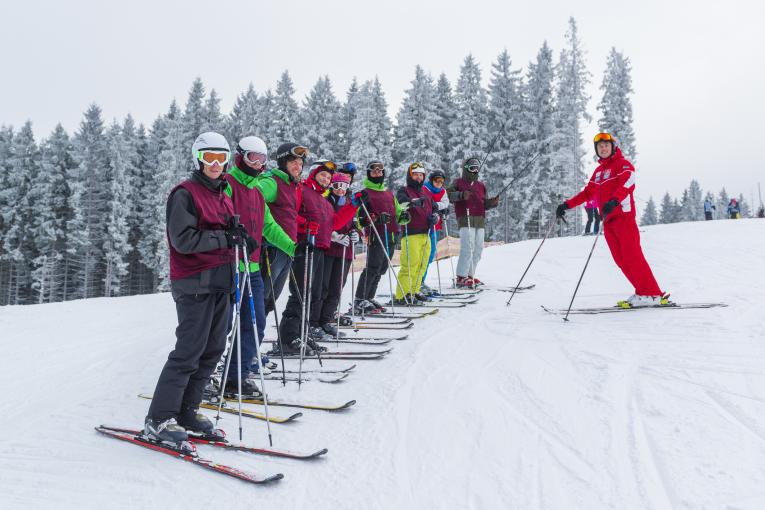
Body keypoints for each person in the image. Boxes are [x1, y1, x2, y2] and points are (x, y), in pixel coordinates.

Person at [145, 131, 244, 443]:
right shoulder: (184, 193)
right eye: (209, 158)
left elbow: (224, 234)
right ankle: (159, 418)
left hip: (222, 281)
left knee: (212, 350)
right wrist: (224, 237)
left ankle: (187, 411)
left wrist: (238, 236)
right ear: (198, 159)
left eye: (221, 158)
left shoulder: (223, 194)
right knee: (189, 351)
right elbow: (183, 240)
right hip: (194, 282)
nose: (215, 164)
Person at [556, 132, 667, 308]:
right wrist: (566, 205)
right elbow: (587, 193)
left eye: (606, 145)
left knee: (632, 256)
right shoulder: (599, 172)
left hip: (623, 216)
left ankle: (652, 293)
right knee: (621, 260)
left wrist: (615, 200)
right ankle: (642, 291)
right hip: (608, 221)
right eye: (600, 147)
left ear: (613, 147)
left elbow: (629, 182)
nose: (603, 148)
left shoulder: (622, 164)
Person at [222, 136, 296, 396]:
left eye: (262, 159)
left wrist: (292, 248)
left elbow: (269, 226)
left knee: (254, 323)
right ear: (240, 157)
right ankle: (207, 374)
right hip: (228, 266)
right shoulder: (228, 184)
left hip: (251, 268)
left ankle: (236, 377)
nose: (258, 164)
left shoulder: (255, 192)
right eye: (253, 157)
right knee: (221, 325)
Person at [275, 162, 359, 354]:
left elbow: (334, 223)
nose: (326, 180)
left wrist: (352, 207)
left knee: (313, 294)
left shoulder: (323, 199)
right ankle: (288, 338)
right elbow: (290, 214)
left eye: (329, 178)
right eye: (322, 175)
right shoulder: (302, 190)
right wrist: (305, 224)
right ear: (313, 174)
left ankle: (302, 333)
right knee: (300, 293)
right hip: (305, 247)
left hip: (321, 248)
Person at [254, 143, 306, 316]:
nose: (298, 167)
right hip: (271, 249)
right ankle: (245, 338)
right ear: (283, 162)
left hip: (286, 250)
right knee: (261, 298)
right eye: (293, 162)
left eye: (300, 163)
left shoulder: (290, 185)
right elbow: (253, 196)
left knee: (270, 300)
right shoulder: (272, 182)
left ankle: (255, 339)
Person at [353, 161, 411, 314]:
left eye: (380, 171)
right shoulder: (365, 193)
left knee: (382, 268)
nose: (377, 174)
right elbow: (360, 218)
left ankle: (369, 297)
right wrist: (376, 219)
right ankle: (360, 299)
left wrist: (404, 216)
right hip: (376, 235)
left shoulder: (388, 194)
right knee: (372, 267)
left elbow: (398, 214)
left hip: (391, 235)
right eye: (374, 171)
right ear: (369, 174)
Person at [447, 157, 500, 288]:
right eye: (472, 168)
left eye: (476, 168)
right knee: (468, 247)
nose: (475, 171)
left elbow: (483, 203)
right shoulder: (458, 182)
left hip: (479, 220)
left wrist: (491, 203)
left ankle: (470, 275)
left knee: (478, 249)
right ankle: (461, 276)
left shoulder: (481, 185)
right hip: (466, 218)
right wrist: (461, 195)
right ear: (466, 169)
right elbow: (448, 195)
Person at [319, 172, 361, 336]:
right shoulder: (326, 202)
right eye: (337, 186)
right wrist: (334, 236)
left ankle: (327, 319)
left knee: (336, 288)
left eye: (344, 186)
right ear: (332, 186)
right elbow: (324, 223)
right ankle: (316, 320)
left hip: (346, 251)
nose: (341, 190)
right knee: (324, 286)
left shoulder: (350, 203)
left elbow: (353, 223)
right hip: (329, 249)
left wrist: (355, 234)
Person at [393, 162, 438, 305]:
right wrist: (413, 203)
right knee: (410, 265)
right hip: (411, 233)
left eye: (421, 175)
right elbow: (400, 204)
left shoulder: (426, 192)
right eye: (415, 175)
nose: (418, 178)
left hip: (426, 233)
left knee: (422, 265)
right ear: (410, 176)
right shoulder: (404, 190)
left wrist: (435, 217)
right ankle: (402, 295)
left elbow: (435, 208)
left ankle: (414, 291)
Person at [420, 169, 450, 295]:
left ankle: (421, 280)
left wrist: (439, 208)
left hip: (435, 226)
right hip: (423, 226)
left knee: (430, 254)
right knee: (423, 255)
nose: (439, 183)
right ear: (432, 180)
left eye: (441, 181)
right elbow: (424, 203)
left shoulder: (442, 191)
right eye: (436, 180)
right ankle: (417, 281)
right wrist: (434, 206)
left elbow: (445, 203)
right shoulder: (425, 188)